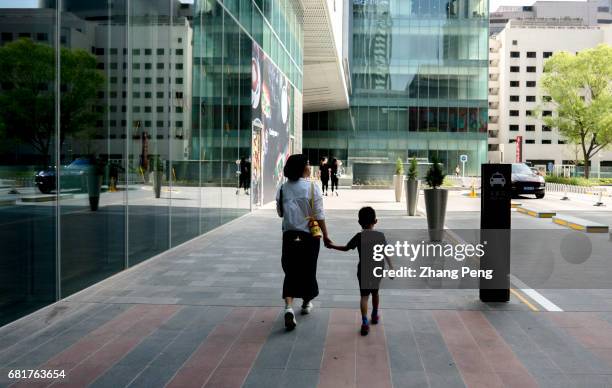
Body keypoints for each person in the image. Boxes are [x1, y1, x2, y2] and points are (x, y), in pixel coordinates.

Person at [276, 154, 331, 331]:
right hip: (308, 237)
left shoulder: (282, 189)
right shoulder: (312, 188)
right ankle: (306, 303)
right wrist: (327, 235)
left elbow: (280, 213)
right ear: (301, 168)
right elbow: (319, 215)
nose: (310, 166)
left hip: (289, 236)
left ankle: (288, 308)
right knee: (308, 269)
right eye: (307, 164)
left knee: (290, 271)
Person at [327, 207, 393, 336]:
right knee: (375, 293)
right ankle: (374, 314)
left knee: (364, 297)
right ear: (376, 221)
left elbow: (346, 248)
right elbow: (386, 252)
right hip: (377, 269)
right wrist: (391, 268)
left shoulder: (359, 236)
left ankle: (364, 322)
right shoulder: (380, 236)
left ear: (359, 222)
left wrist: (332, 245)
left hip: (363, 270)